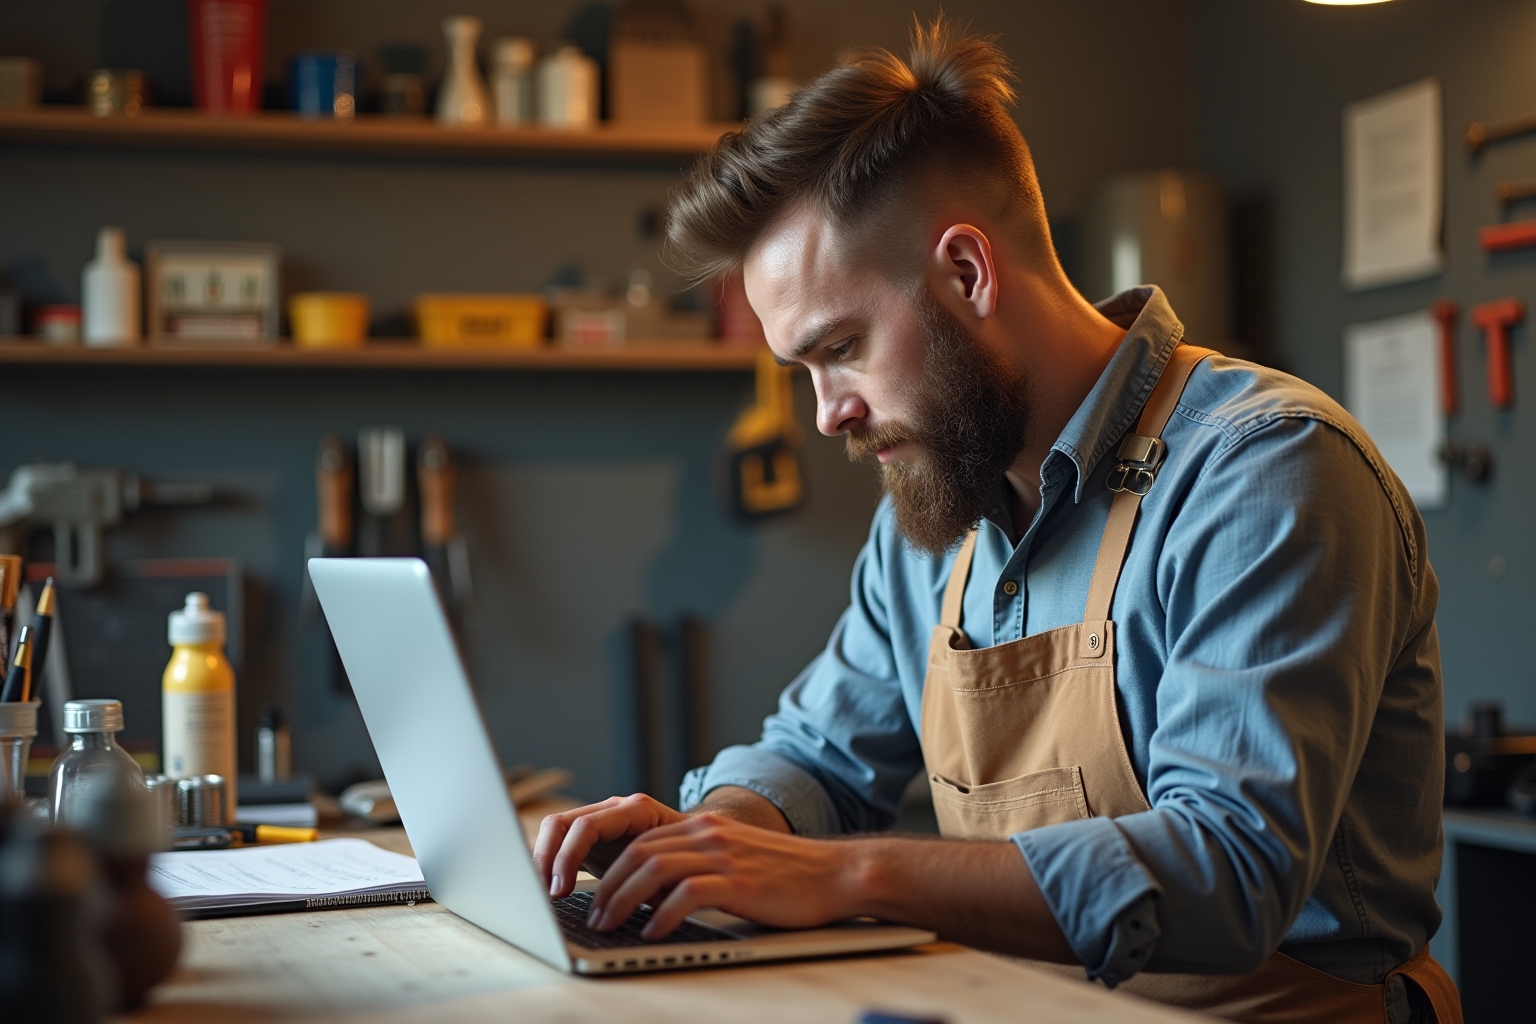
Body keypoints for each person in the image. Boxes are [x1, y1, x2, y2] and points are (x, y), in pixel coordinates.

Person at [535, 20, 1459, 1024]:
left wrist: (848, 875)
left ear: (967, 273)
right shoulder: (936, 516)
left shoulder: (1266, 471)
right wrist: (712, 843)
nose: (826, 412)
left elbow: (1227, 870)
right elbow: (817, 756)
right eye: (802, 370)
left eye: (840, 347)